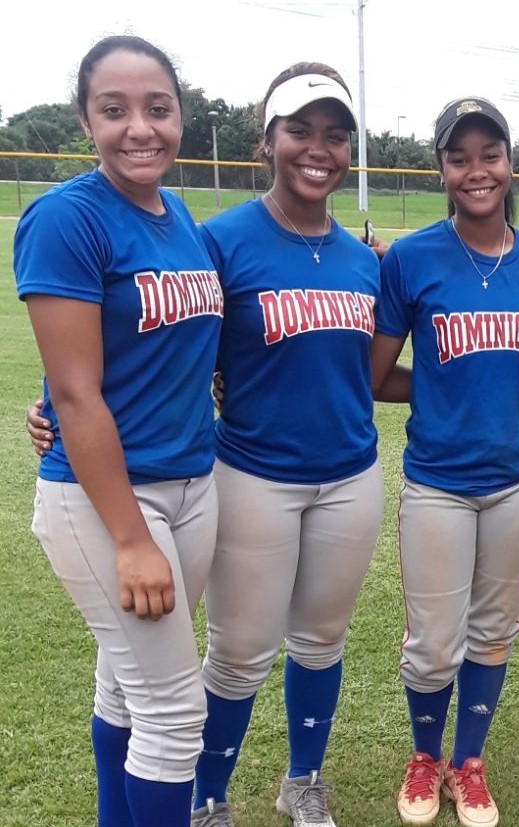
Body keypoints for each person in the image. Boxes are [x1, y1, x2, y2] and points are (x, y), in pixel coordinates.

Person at [13, 35, 223, 827]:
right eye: (115, 109)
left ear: (180, 115)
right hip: (109, 500)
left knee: (126, 687)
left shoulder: (180, 218)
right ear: (85, 120)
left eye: (158, 108)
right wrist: (131, 537)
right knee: (174, 715)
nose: (140, 127)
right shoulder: (67, 217)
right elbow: (74, 392)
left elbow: (184, 353)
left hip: (190, 483)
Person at [188, 63, 395, 827]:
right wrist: (58, 402)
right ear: (267, 141)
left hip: (349, 475)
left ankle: (301, 781)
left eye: (336, 135)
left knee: (320, 639)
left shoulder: (362, 257)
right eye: (300, 131)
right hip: (251, 474)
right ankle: (208, 797)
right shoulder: (221, 240)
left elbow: (374, 368)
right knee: (240, 649)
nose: (320, 148)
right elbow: (171, 347)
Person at [370, 97, 519, 827]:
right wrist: (447, 382)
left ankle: (469, 761)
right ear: (443, 169)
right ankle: (426, 756)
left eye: (490, 154)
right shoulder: (415, 257)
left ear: (509, 163)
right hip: (439, 483)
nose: (477, 170)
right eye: (460, 157)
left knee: (493, 628)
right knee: (431, 643)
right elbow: (375, 374)